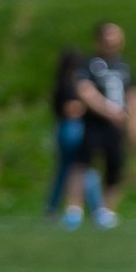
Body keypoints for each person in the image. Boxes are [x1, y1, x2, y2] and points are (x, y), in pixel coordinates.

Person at [70, 22, 136, 230]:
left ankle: (107, 211)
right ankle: (74, 210)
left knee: (115, 166)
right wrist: (108, 111)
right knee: (83, 164)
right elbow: (85, 91)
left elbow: (134, 94)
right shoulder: (90, 63)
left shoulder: (124, 65)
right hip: (94, 123)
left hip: (117, 125)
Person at [46, 46, 101, 221]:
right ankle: (95, 209)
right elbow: (70, 109)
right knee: (82, 168)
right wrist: (93, 104)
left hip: (65, 128)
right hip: (73, 128)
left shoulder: (61, 81)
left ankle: (53, 207)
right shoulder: (70, 83)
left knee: (67, 169)